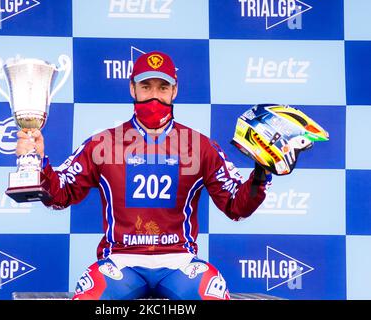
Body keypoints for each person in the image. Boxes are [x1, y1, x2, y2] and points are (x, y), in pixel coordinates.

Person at [16, 51, 272, 300]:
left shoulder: (201, 146)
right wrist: (37, 162)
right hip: (120, 261)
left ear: (174, 91)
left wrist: (262, 171)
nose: (154, 96)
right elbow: (60, 195)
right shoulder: (103, 144)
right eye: (146, 86)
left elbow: (237, 206)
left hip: (180, 262)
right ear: (132, 88)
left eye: (162, 88)